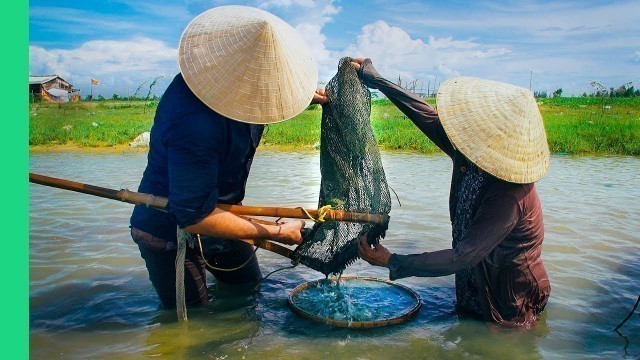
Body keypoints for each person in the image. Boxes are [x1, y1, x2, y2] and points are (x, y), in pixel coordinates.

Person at [129, 5, 327, 309]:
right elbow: (193, 215)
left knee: (248, 292)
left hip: (227, 216)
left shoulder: (254, 96)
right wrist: (277, 232)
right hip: (172, 229)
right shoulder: (194, 121)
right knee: (195, 325)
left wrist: (301, 93)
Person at [354, 58, 551, 327]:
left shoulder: (511, 194)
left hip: (509, 302)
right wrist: (374, 78)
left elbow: (463, 256)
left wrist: (392, 261)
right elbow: (425, 115)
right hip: (475, 282)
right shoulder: (471, 153)